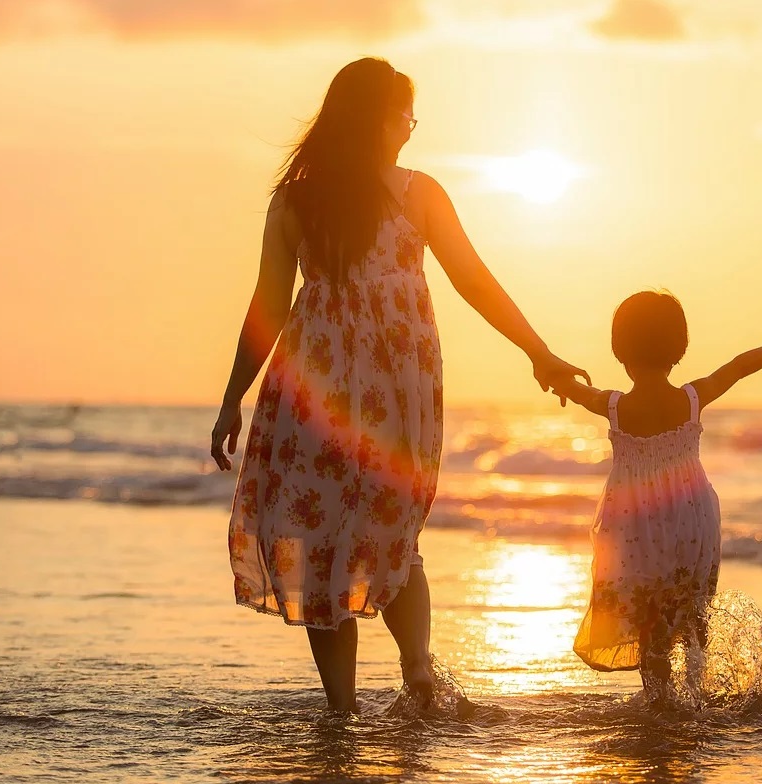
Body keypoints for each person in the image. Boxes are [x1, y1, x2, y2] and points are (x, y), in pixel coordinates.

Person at [208, 57, 587, 713]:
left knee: (320, 538)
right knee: (392, 530)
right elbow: (473, 279)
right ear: (379, 118)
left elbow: (269, 307)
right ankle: (416, 674)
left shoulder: (297, 198)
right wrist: (538, 352)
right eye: (405, 113)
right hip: (395, 385)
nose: (411, 127)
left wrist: (233, 398)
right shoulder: (416, 192)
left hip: (314, 387)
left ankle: (343, 709)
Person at [550, 290, 762, 704]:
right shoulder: (691, 399)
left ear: (620, 351)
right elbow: (738, 367)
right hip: (692, 519)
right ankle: (695, 693)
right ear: (678, 348)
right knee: (690, 610)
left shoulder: (614, 405)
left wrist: (552, 376)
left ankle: (662, 701)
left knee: (649, 620)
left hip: (635, 527)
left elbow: (577, 391)